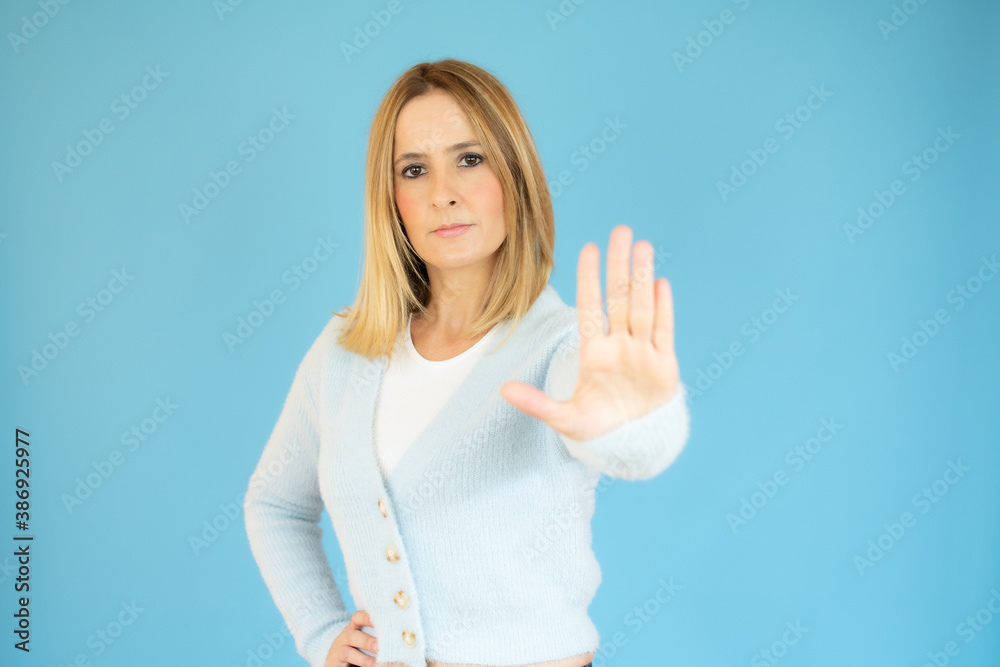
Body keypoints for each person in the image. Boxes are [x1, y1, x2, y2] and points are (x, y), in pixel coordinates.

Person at [243, 58, 691, 667]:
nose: (442, 192)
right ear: (390, 197)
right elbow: (276, 504)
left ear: (516, 174)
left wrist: (633, 423)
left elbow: (632, 445)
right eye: (414, 170)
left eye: (470, 159)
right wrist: (322, 633)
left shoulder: (560, 348)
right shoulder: (345, 352)